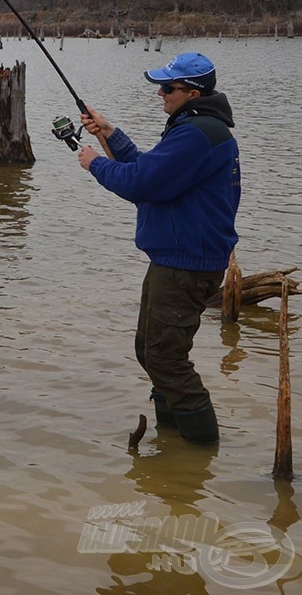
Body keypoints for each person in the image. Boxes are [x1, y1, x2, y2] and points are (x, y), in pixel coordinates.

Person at [76, 52, 240, 445]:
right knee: (150, 352)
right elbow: (150, 170)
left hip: (186, 265)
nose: (161, 94)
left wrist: (95, 163)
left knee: (166, 359)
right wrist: (109, 133)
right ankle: (172, 444)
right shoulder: (193, 130)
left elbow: (141, 184)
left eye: (168, 88)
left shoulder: (198, 135)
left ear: (193, 92)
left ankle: (201, 453)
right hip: (172, 260)